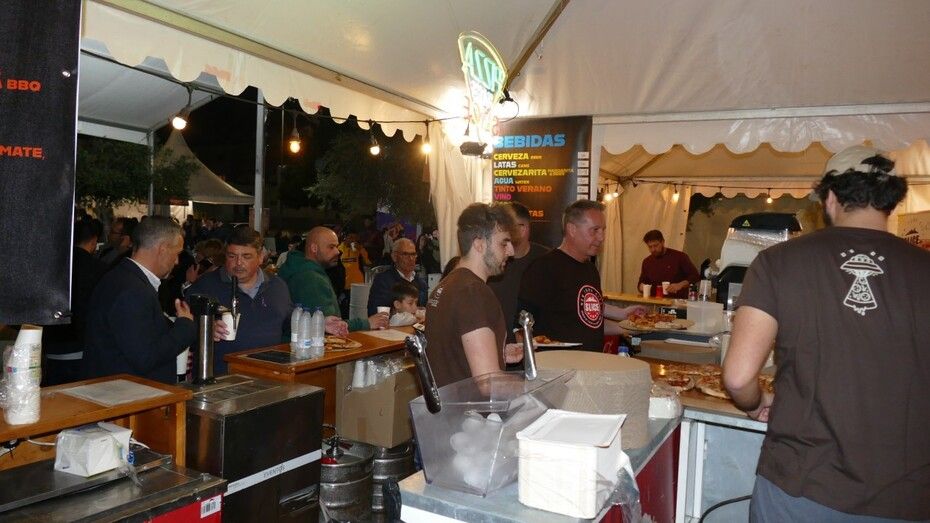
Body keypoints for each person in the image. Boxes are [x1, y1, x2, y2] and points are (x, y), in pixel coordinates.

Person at [723, 146, 930, 522]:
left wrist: (756, 403)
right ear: (890, 202)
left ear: (830, 198)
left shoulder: (779, 261)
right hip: (906, 495)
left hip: (801, 486)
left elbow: (738, 377)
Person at [519, 200, 644, 352]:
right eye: (595, 230)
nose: (601, 237)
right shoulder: (545, 268)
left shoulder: (590, 269)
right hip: (558, 364)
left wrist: (628, 326)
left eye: (603, 230)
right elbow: (521, 325)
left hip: (591, 362)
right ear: (572, 229)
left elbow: (591, 322)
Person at [83, 216, 195, 384]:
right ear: (163, 249)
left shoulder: (123, 277)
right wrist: (184, 328)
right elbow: (145, 357)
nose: (177, 261)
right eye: (177, 253)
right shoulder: (132, 290)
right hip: (126, 393)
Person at [425, 203, 524, 388]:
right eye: (503, 243)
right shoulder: (473, 292)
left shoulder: (445, 286)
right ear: (479, 244)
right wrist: (537, 389)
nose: (510, 252)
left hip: (450, 405)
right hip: (472, 407)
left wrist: (498, 353)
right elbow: (488, 384)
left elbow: (453, 354)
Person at [185, 228, 294, 375]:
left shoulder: (277, 286)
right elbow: (182, 329)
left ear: (261, 257)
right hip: (220, 378)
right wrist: (204, 328)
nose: (238, 263)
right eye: (232, 256)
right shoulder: (205, 286)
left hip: (269, 375)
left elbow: (290, 324)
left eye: (246, 256)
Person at [278, 226, 387, 331]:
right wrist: (367, 323)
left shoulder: (300, 268)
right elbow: (331, 326)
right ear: (314, 248)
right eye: (331, 247)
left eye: (336, 246)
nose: (337, 251)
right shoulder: (311, 278)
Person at [42, 217, 108, 386]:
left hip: (52, 343)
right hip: (83, 347)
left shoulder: (53, 266)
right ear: (93, 241)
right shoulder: (99, 269)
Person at [487, 202, 549, 341]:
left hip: (537, 347)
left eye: (506, 227)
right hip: (496, 345)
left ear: (523, 229)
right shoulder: (491, 260)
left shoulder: (546, 261)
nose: (500, 233)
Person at [366, 237, 428, 316]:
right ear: (394, 257)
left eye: (413, 254)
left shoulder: (421, 283)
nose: (411, 258)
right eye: (405, 254)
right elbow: (375, 313)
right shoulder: (383, 281)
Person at [636, 230, 699, 298]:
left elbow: (695, 276)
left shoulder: (679, 257)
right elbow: (641, 282)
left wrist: (680, 285)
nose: (653, 249)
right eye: (650, 247)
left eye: (656, 245)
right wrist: (641, 287)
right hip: (655, 301)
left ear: (663, 242)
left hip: (677, 300)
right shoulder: (647, 261)